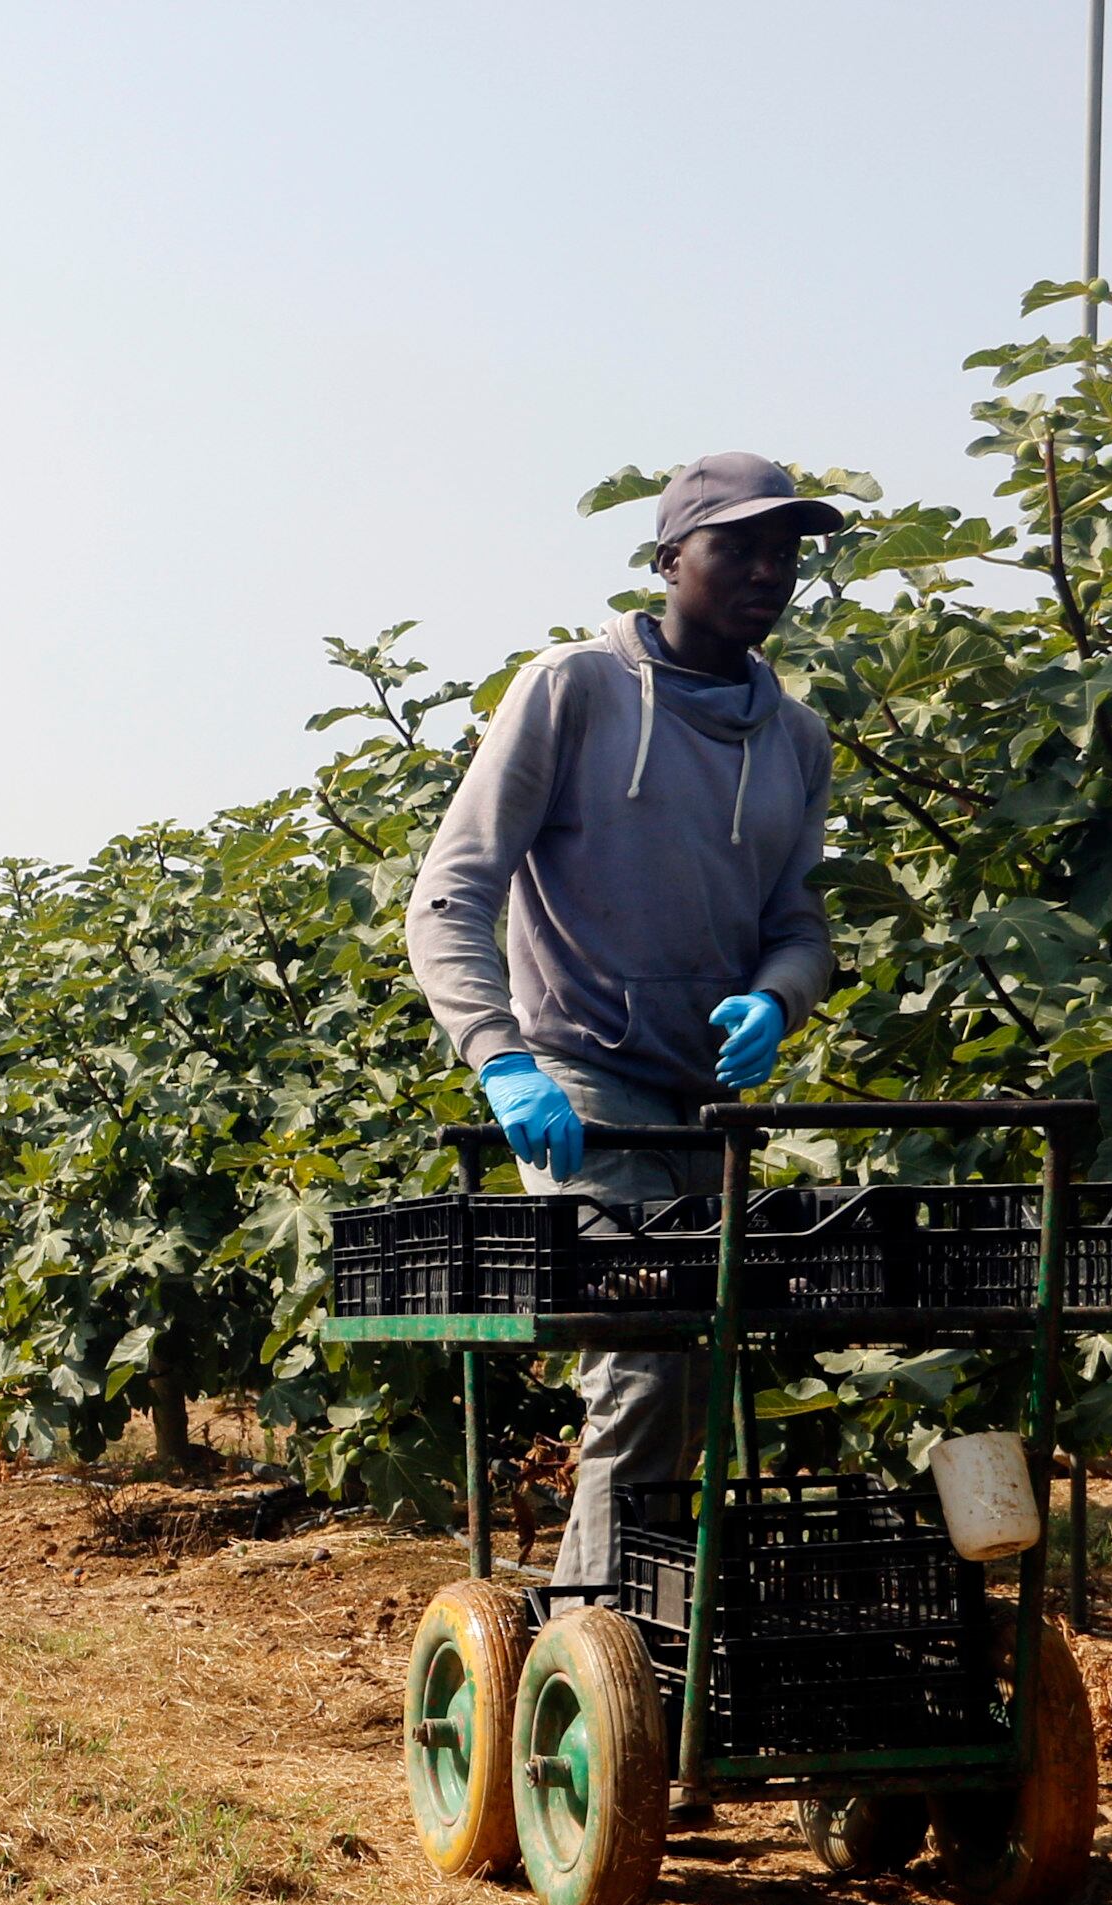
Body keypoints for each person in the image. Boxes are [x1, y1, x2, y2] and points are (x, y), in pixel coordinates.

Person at [404, 451, 842, 1594]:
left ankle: (621, 1635)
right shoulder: (574, 690)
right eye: (735, 546)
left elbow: (799, 922)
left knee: (694, 1373)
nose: (764, 570)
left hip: (708, 1104)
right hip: (578, 1083)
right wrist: (501, 1058)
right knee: (645, 1362)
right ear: (669, 559)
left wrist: (777, 993)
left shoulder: (795, 740)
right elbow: (450, 893)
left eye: (782, 552)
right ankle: (600, 1652)